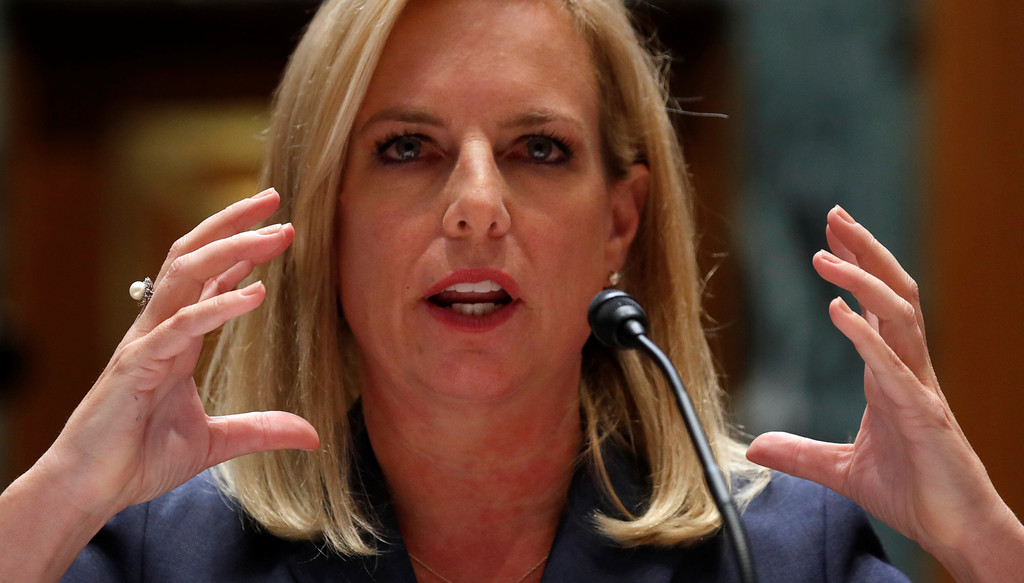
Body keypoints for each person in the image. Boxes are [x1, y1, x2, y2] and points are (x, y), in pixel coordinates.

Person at [0, 0, 1020, 581]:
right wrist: (62, 494)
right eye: (407, 147)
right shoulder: (169, 554)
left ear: (618, 222)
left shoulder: (782, 555)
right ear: (324, 219)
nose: (477, 209)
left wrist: (981, 544)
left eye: (539, 149)